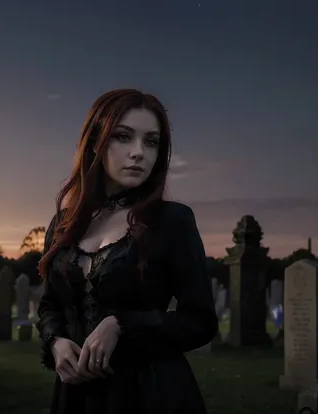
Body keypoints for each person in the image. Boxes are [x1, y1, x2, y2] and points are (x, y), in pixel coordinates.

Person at [36, 89, 218, 414]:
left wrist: (121, 324)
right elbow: (50, 305)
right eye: (123, 137)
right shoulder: (65, 223)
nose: (139, 153)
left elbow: (201, 321)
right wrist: (56, 343)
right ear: (96, 142)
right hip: (75, 397)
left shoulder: (172, 221)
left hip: (150, 393)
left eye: (151, 142)